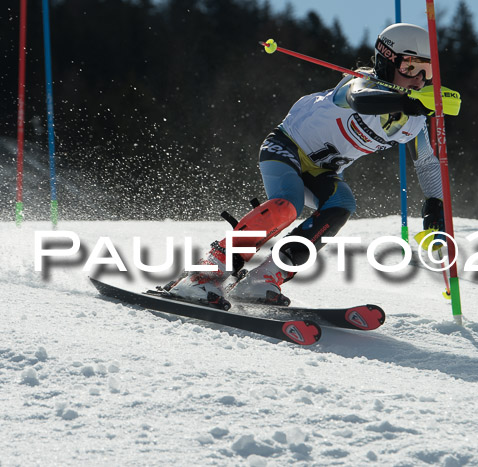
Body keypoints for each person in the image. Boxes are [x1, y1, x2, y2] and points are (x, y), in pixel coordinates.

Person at [165, 23, 447, 307]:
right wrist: (405, 102)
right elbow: (359, 101)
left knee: (342, 205)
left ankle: (265, 278)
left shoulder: (414, 121)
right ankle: (203, 275)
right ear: (386, 61)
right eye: (411, 67)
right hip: (286, 146)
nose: (420, 79)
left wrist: (435, 204)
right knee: (288, 205)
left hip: (322, 171)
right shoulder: (359, 83)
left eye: (428, 71)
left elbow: (426, 162)